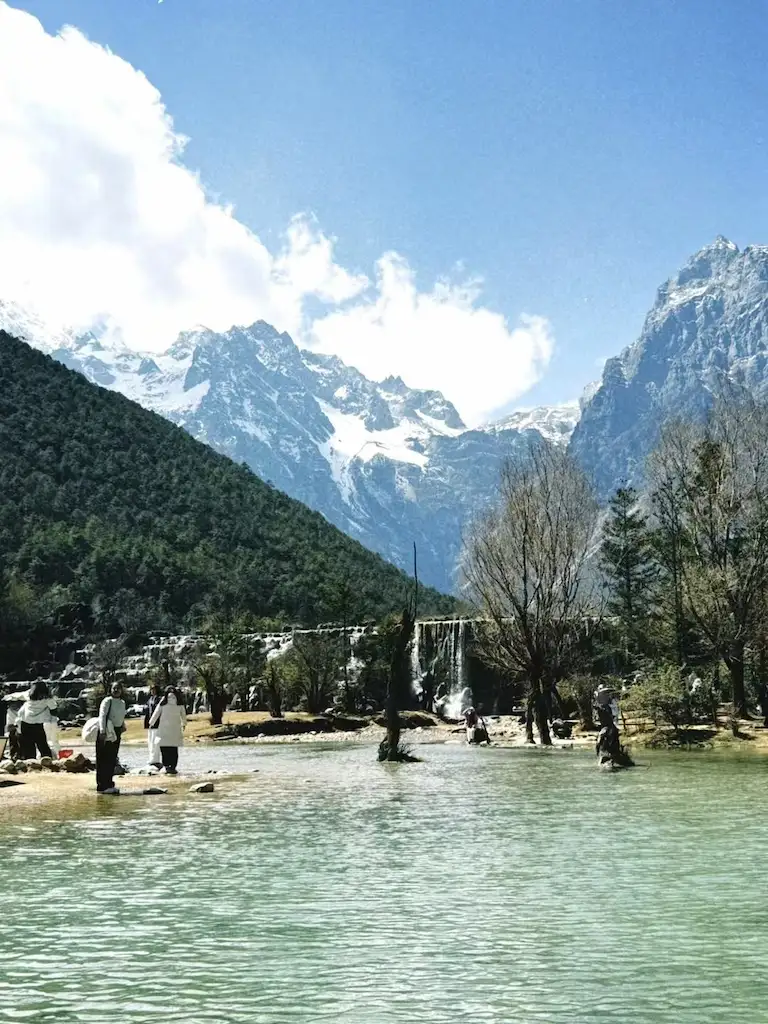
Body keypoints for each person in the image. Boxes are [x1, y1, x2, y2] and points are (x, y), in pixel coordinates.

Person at [96, 682, 127, 794]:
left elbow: (121, 715)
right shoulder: (107, 700)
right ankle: (102, 785)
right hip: (106, 731)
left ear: (121, 690)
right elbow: (102, 716)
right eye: (114, 688)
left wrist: (123, 726)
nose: (116, 690)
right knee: (103, 759)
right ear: (110, 690)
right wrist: (103, 731)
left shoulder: (122, 702)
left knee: (112, 758)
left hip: (116, 732)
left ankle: (109, 783)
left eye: (118, 688)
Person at [149, 686, 187, 774]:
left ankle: (166, 766)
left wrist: (151, 723)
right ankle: (173, 766)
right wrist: (184, 724)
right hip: (175, 729)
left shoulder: (163, 702)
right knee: (174, 748)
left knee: (164, 748)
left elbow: (156, 713)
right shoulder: (179, 702)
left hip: (164, 729)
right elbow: (183, 715)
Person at [16, 681, 57, 759]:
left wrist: (6, 697)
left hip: (25, 723)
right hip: (38, 724)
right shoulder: (47, 699)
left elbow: (17, 695)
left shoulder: (28, 695)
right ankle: (47, 761)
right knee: (42, 744)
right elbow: (54, 709)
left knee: (28, 746)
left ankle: (31, 763)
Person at [144, 683, 163, 768]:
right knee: (150, 742)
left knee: (156, 743)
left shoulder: (160, 699)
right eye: (151, 689)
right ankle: (151, 759)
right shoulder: (150, 699)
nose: (152, 691)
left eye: (154, 689)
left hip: (158, 724)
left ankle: (156, 760)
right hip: (150, 724)